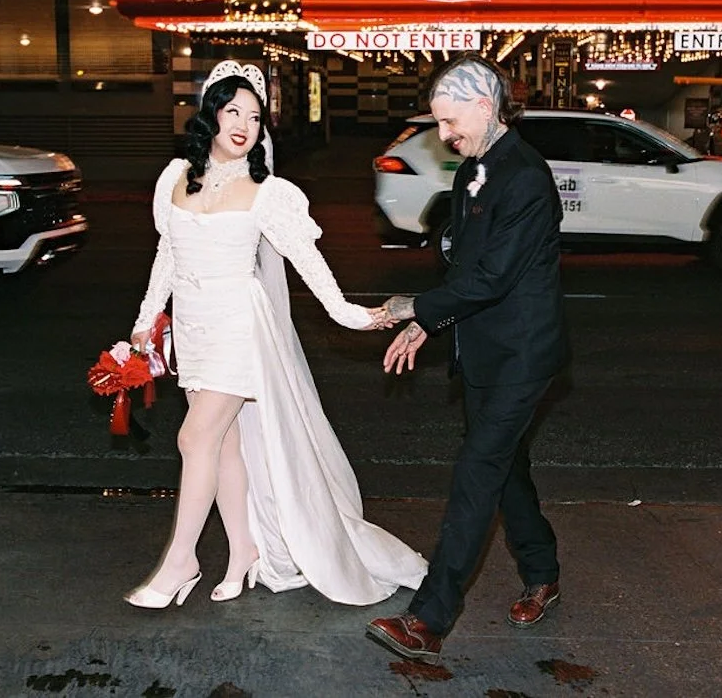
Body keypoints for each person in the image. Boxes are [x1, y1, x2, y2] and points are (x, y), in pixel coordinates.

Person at [124, 60, 427, 610]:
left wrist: (354, 316)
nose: (244, 124)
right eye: (233, 111)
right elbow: (167, 254)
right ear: (211, 114)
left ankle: (180, 561)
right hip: (192, 328)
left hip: (239, 327)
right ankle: (243, 550)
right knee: (225, 445)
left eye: (255, 116)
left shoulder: (267, 193)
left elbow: (310, 266)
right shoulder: (175, 178)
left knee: (193, 439)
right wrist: (146, 320)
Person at [366, 53, 568, 662]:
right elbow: (463, 270)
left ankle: (428, 619)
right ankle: (544, 573)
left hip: (522, 355)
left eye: (450, 121)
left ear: (485, 107)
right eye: (439, 122)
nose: (444, 134)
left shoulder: (525, 176)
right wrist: (429, 324)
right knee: (505, 469)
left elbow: (495, 278)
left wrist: (413, 306)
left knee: (478, 470)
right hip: (480, 350)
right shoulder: (471, 171)